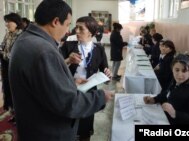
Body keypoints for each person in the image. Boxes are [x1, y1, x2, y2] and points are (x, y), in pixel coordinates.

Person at [9, 1, 113, 141]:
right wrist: (101, 97)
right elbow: (67, 103)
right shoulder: (44, 50)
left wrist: (71, 83)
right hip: (47, 131)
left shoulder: (25, 39)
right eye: (68, 25)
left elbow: (44, 84)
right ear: (56, 21)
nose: (69, 31)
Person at [60, 16, 111, 141]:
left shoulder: (98, 49)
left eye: (80, 28)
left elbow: (104, 69)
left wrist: (107, 74)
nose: (76, 31)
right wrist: (68, 60)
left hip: (89, 93)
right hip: (69, 89)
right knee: (67, 125)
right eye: (76, 27)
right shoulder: (68, 45)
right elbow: (56, 67)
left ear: (91, 32)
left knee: (85, 128)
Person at [144, 53, 189, 124]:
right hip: (165, 117)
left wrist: (175, 113)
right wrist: (154, 99)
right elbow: (167, 92)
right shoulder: (176, 80)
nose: (180, 75)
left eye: (184, 71)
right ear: (172, 69)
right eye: (177, 70)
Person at [0, 12, 23, 123]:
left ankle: (19, 115)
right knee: (8, 89)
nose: (7, 24)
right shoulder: (8, 33)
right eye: (6, 22)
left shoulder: (21, 35)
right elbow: (3, 45)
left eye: (8, 22)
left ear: (16, 22)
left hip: (15, 67)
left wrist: (3, 54)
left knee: (16, 91)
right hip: (6, 65)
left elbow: (16, 54)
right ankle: (12, 111)